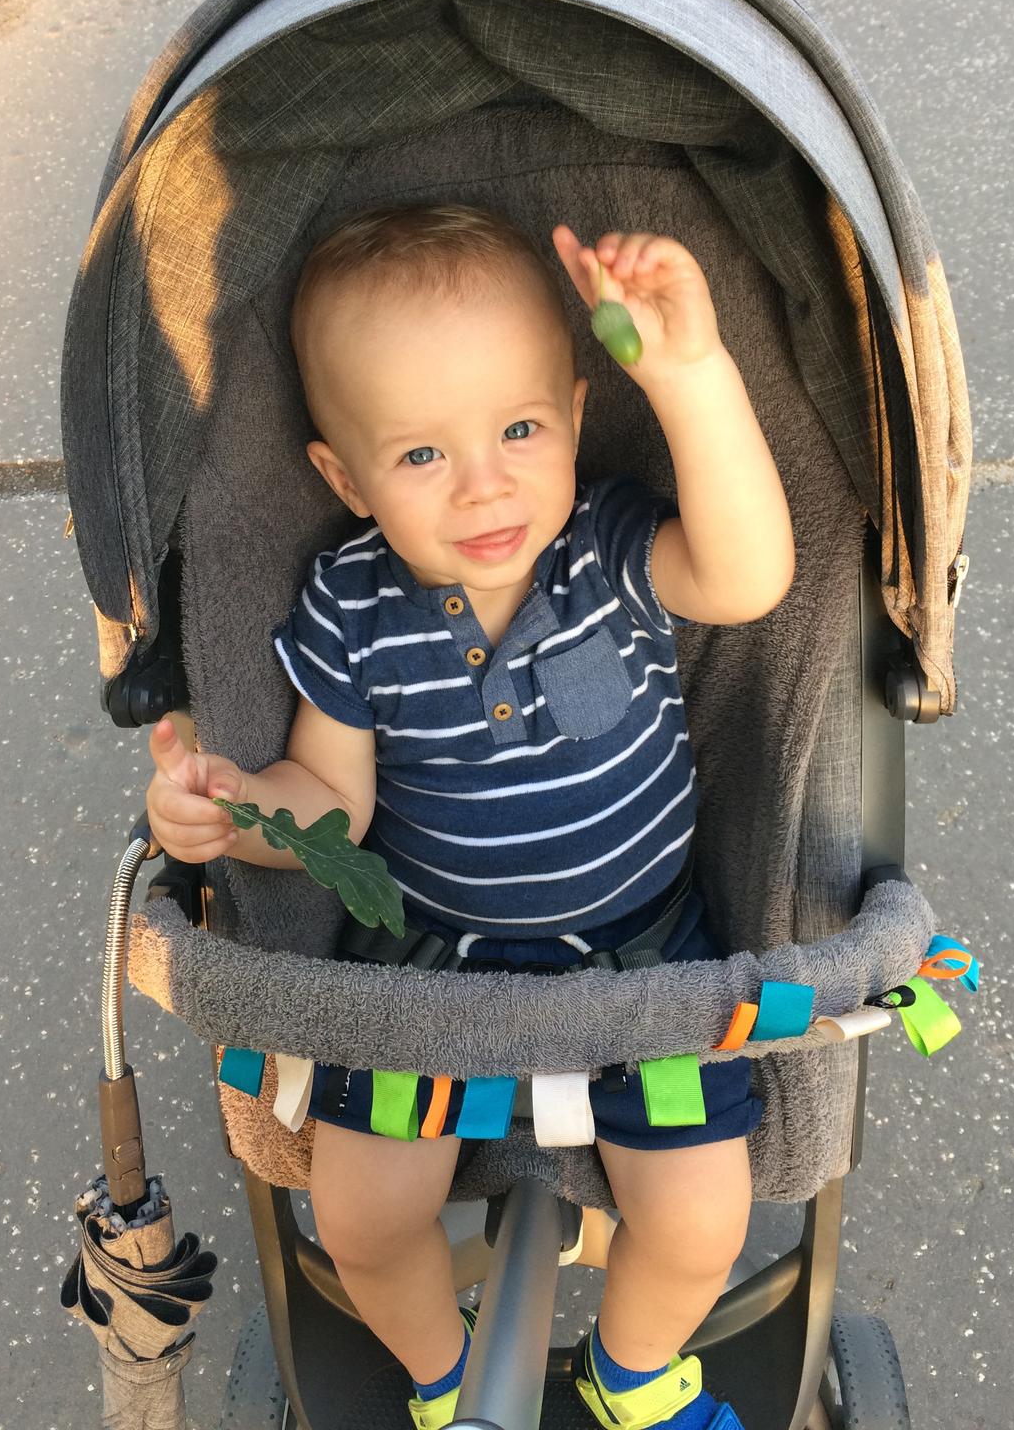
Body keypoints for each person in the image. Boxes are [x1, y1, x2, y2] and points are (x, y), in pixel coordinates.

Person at [146, 203, 796, 1430]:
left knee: (702, 1215)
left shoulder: (608, 546)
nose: (485, 483)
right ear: (345, 479)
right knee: (363, 1215)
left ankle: (632, 1370)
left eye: (518, 429)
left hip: (644, 956)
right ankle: (443, 1379)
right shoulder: (353, 605)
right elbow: (329, 799)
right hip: (430, 962)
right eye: (420, 456)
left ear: (576, 416)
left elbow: (750, 574)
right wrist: (235, 812)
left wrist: (691, 376)